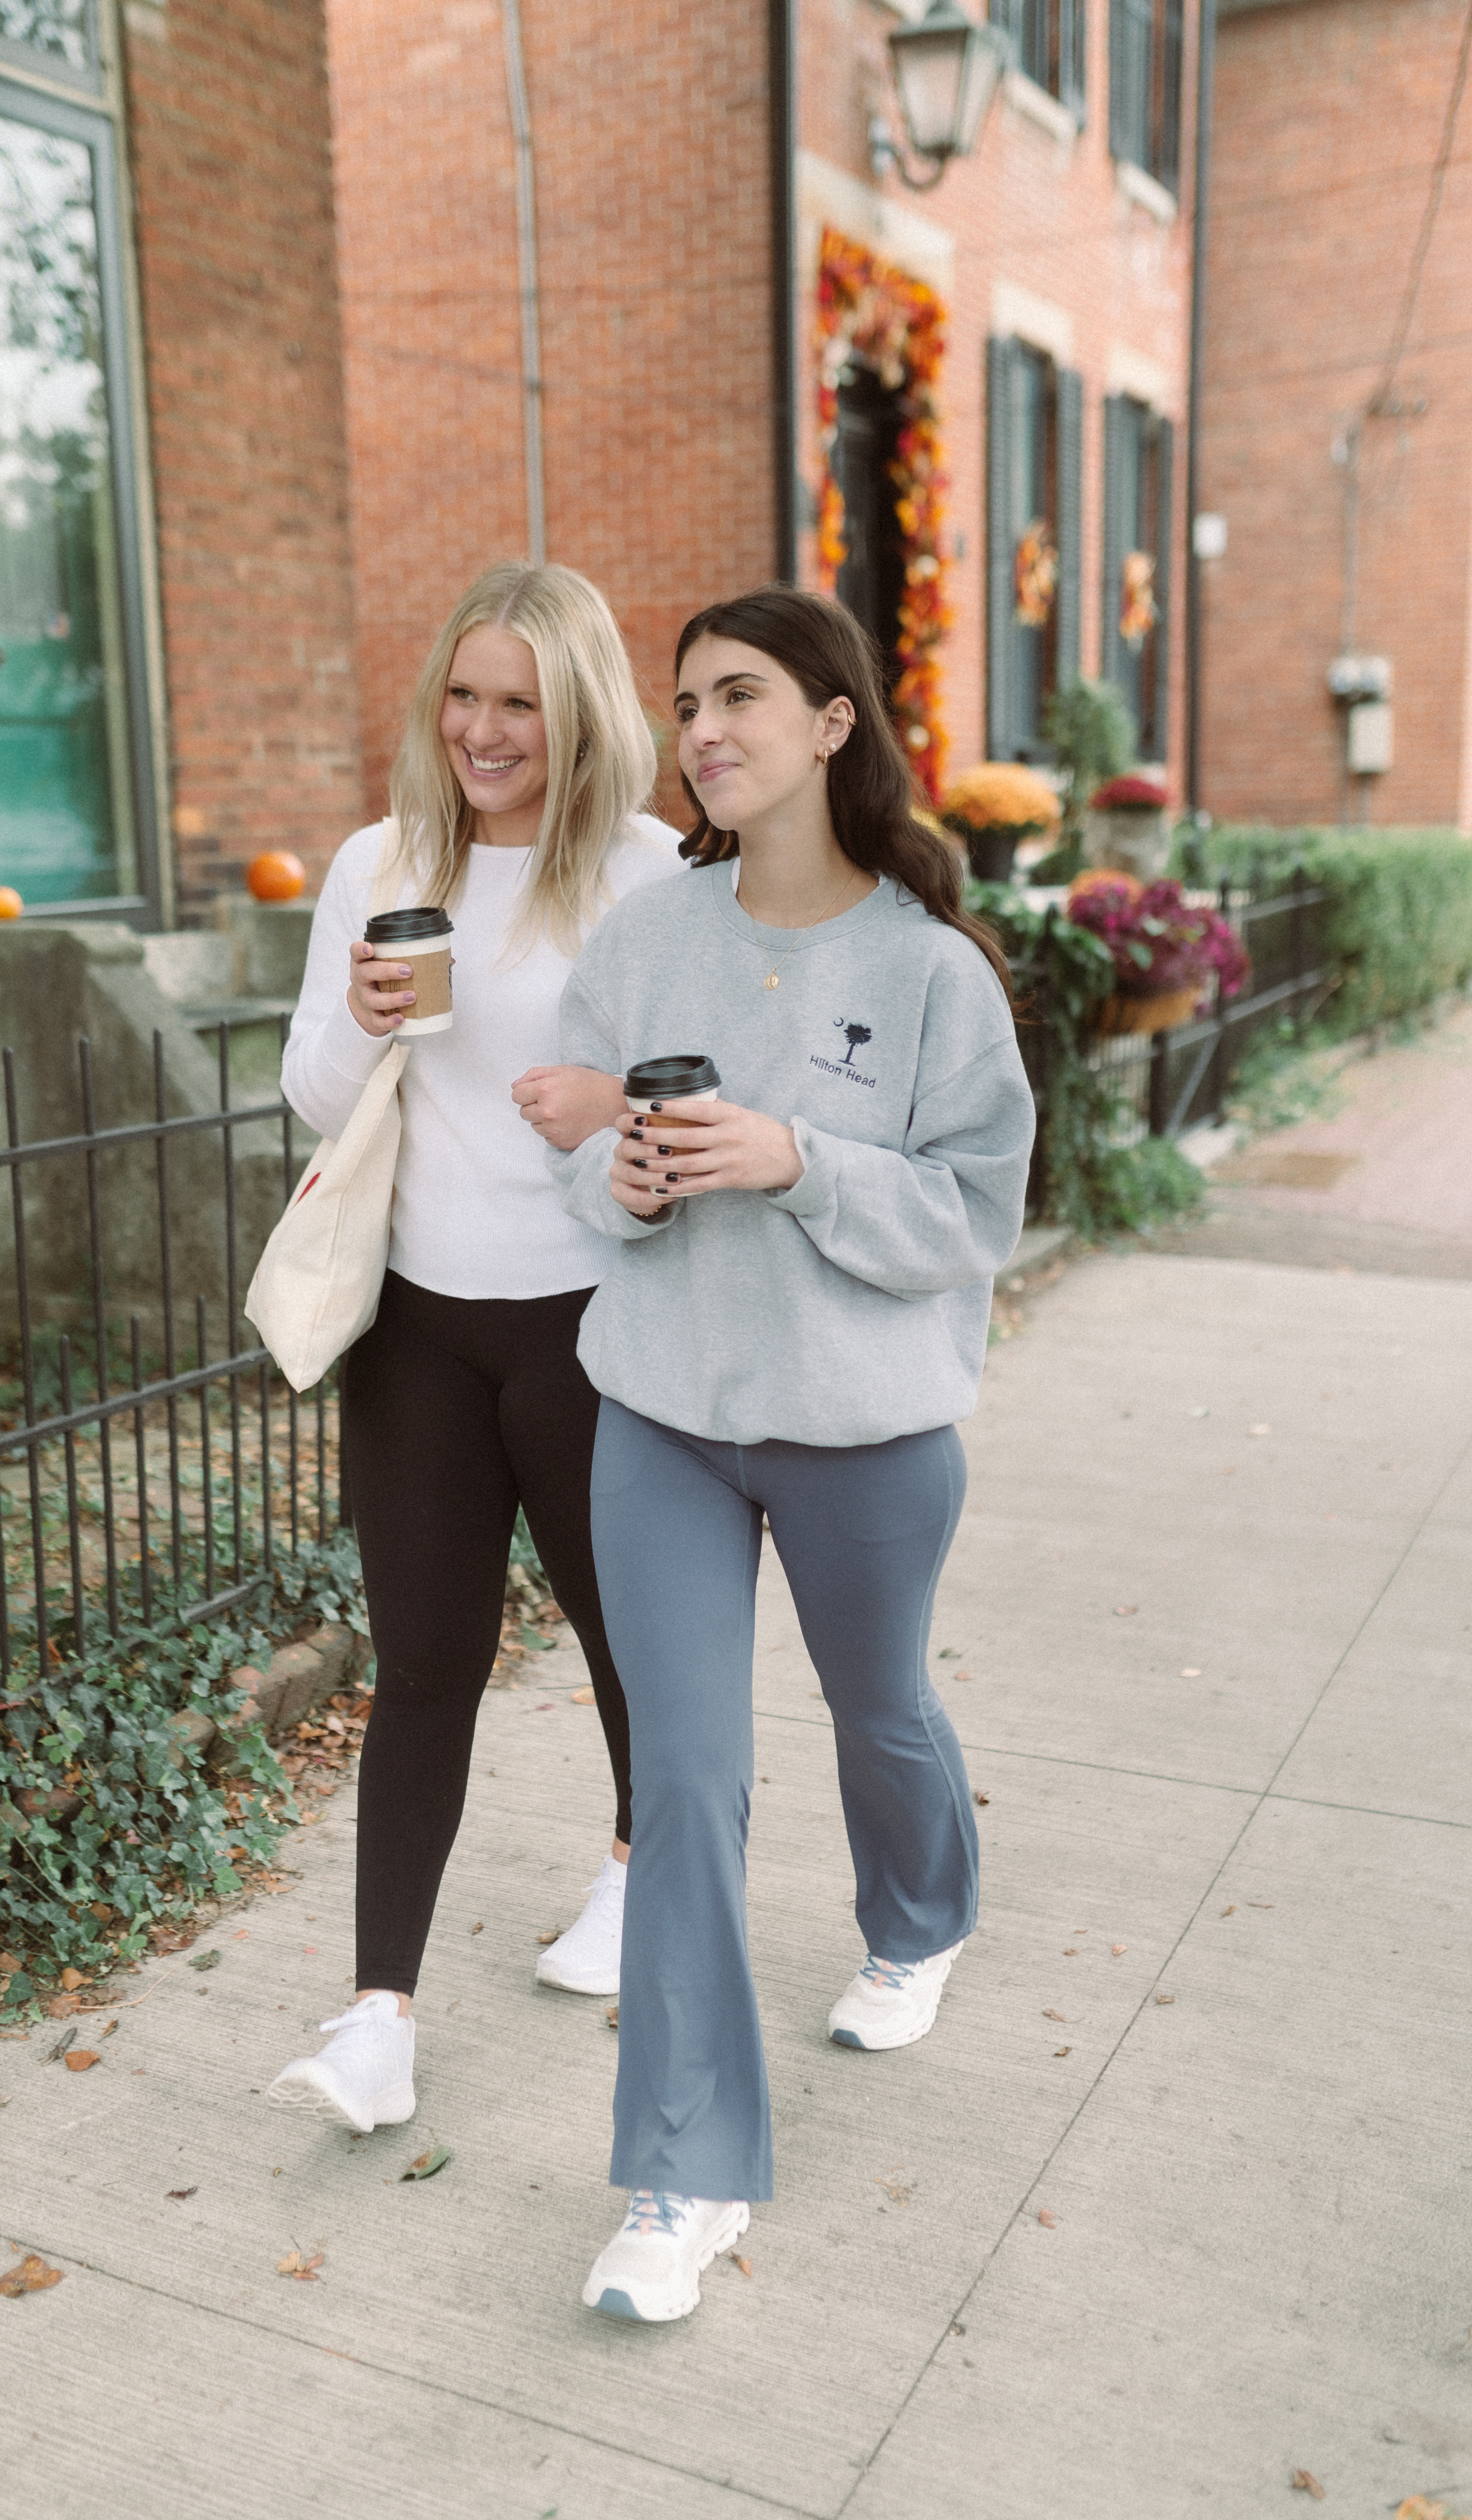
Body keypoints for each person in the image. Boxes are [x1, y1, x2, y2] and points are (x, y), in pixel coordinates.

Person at [549, 586, 1035, 2322]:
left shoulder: (926, 970)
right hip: (663, 1415)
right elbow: (581, 1142)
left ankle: (919, 1913)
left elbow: (974, 1215)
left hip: (865, 1432)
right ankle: (684, 2173)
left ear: (833, 721)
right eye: (685, 703)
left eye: (737, 694)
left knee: (876, 1708)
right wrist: (618, 1173)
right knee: (683, 1774)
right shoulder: (648, 935)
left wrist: (794, 1160)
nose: (701, 729)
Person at [267, 561, 681, 2134]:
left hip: (593, 1325)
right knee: (424, 1664)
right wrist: (370, 1013)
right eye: (463, 695)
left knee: (620, 1633)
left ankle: (643, 1868)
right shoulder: (384, 856)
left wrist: (619, 1106)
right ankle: (379, 2019)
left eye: (520, 702)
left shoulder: (644, 875)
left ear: (576, 715)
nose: (485, 730)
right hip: (422, 1331)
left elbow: (696, 1089)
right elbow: (316, 1092)